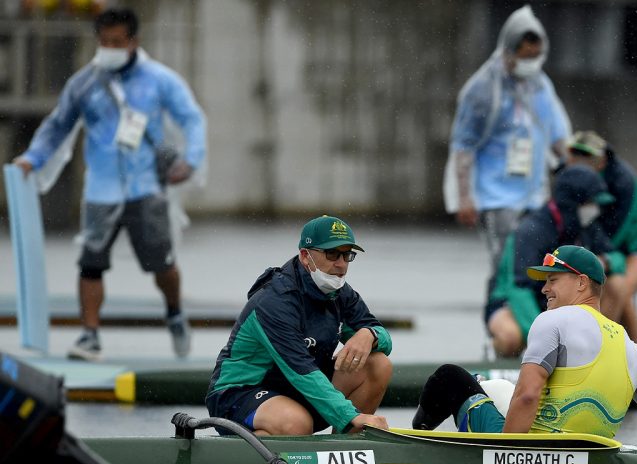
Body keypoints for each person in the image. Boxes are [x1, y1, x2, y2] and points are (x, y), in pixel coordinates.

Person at [12, 7, 207, 362]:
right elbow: (58, 125)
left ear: (133, 41)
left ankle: (175, 312)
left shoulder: (159, 79)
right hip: (101, 189)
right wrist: (33, 158)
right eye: (104, 42)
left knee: (162, 266)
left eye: (117, 42)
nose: (110, 48)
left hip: (145, 187)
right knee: (90, 263)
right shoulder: (85, 83)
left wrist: (190, 160)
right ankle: (90, 335)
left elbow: (191, 118)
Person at [413, 245, 637, 445]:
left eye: (553, 280)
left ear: (581, 283)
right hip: (591, 456)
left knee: (450, 378)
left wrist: (506, 458)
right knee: (493, 387)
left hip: (532, 454)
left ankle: (414, 448)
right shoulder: (636, 352)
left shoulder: (552, 321)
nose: (544, 289)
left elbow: (528, 395)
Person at [205, 216, 391, 436]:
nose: (341, 264)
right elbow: (300, 369)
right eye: (332, 254)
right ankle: (248, 453)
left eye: (347, 255)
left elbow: (384, 339)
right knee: (296, 423)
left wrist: (369, 334)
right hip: (239, 394)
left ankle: (347, 451)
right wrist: (351, 416)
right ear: (305, 256)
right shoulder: (274, 302)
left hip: (294, 390)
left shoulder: (340, 293)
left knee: (378, 365)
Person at [443, 4, 571, 270]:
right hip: (496, 196)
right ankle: (499, 308)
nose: (530, 63)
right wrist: (465, 198)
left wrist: (574, 173)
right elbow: (463, 146)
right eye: (525, 56)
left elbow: (557, 136)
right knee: (506, 264)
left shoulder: (541, 85)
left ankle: (526, 312)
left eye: (536, 56)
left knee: (537, 265)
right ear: (508, 51)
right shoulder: (483, 90)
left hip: (534, 194)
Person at [485, 164, 622, 358]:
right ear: (572, 203)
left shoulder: (586, 226)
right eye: (590, 202)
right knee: (510, 337)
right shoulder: (530, 231)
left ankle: (602, 352)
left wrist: (604, 262)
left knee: (616, 284)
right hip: (513, 304)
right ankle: (496, 355)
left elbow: (618, 259)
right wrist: (546, 336)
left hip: (559, 301)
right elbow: (519, 290)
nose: (595, 209)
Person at [566, 130, 637, 345]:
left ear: (600, 161)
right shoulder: (573, 175)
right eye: (574, 154)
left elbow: (617, 233)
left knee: (620, 288)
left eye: (585, 156)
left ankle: (631, 356)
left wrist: (599, 260)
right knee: (614, 291)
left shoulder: (623, 181)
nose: (577, 160)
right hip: (605, 250)